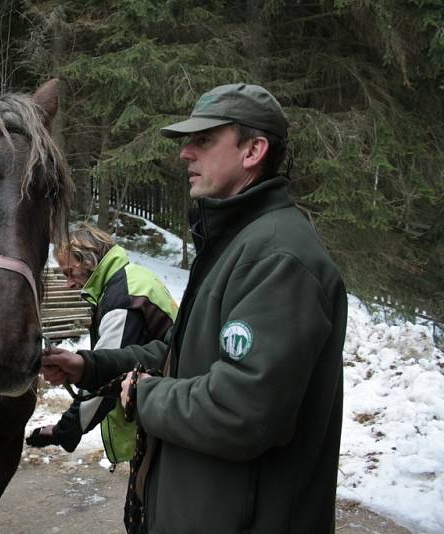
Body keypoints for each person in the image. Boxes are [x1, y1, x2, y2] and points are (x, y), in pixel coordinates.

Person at [42, 84, 347, 533]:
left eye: (204, 140)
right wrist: (90, 366)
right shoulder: (234, 244)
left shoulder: (278, 258)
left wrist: (144, 396)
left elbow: (241, 411)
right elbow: (180, 359)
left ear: (253, 150)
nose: (185, 152)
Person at [27, 222, 177, 464]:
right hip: (168, 407)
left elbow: (108, 376)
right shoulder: (132, 278)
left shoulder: (122, 296)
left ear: (89, 260)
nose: (69, 284)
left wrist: (64, 430)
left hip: (162, 422)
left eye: (69, 272)